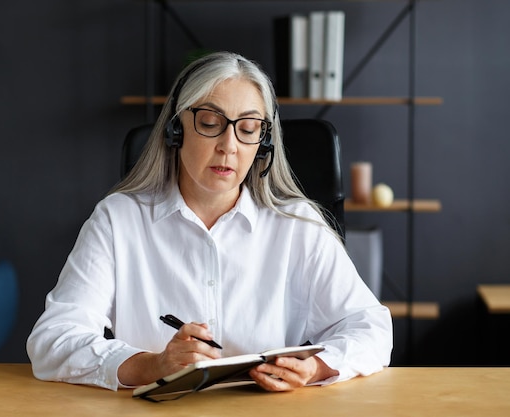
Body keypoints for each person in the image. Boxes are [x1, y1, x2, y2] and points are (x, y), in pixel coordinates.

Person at [26, 51, 392, 392]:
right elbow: (53, 339)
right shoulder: (118, 219)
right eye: (211, 123)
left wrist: (316, 368)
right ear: (176, 130)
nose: (229, 145)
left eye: (247, 129)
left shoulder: (297, 225)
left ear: (262, 144)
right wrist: (151, 366)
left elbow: (371, 327)